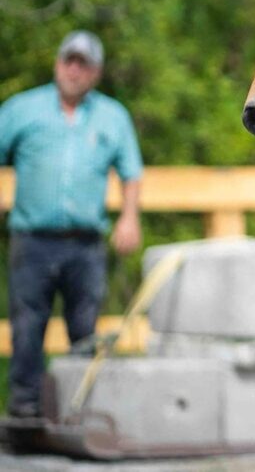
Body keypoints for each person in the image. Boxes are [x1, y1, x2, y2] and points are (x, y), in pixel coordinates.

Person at [0, 30, 142, 419]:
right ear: (58, 63)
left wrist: (129, 218)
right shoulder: (22, 110)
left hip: (85, 243)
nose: (75, 70)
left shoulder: (112, 116)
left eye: (84, 64)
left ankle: (80, 410)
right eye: (70, 60)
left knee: (85, 330)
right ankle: (25, 411)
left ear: (96, 72)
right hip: (32, 239)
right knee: (27, 329)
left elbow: (131, 171)